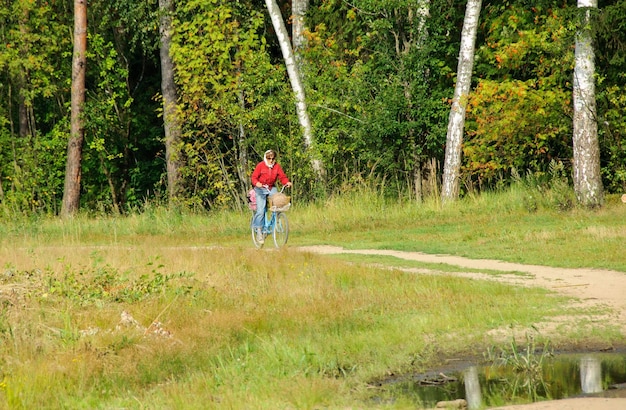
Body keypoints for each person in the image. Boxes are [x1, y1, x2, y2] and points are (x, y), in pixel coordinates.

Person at [251, 149, 292, 244]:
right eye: (269, 158)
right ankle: (259, 231)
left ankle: (275, 220)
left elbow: (282, 177)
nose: (271, 160)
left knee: (278, 203)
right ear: (265, 158)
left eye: (272, 158)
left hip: (270, 188)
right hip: (260, 189)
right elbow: (254, 177)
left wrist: (287, 182)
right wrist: (257, 183)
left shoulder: (276, 166)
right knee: (260, 210)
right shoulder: (260, 166)